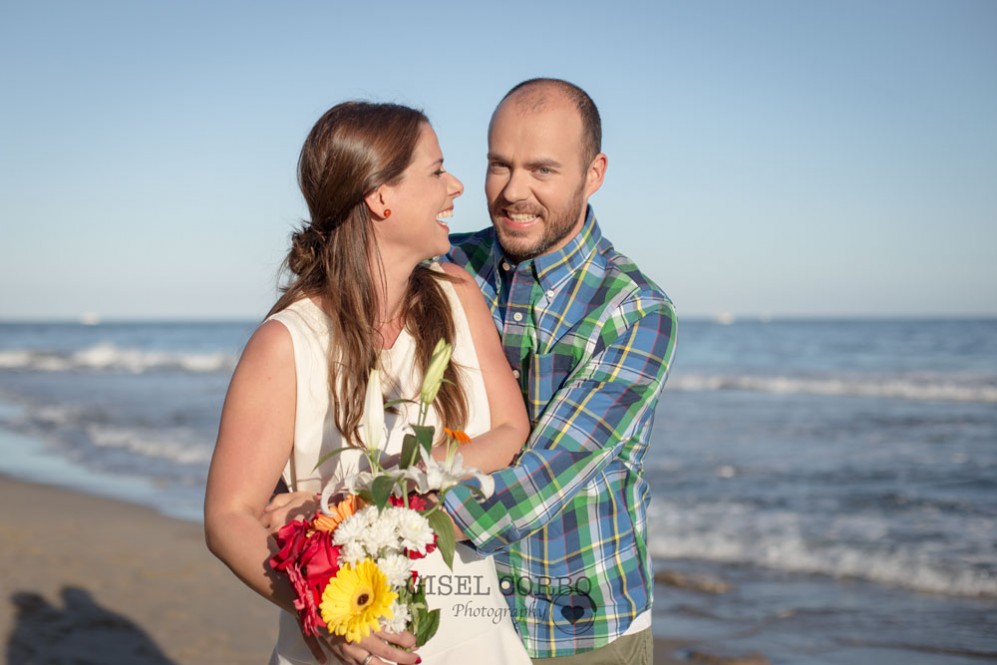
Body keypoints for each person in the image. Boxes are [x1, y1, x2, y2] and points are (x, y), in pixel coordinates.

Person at [204, 101, 533, 665]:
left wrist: (407, 488)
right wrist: (321, 610)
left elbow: (510, 428)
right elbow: (228, 516)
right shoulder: (287, 343)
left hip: (471, 630)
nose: (455, 187)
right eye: (435, 172)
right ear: (381, 197)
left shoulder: (459, 295)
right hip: (347, 641)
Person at [440, 78, 678, 664]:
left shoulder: (634, 310)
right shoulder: (447, 265)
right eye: (500, 165)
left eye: (542, 170)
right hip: (455, 613)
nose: (513, 191)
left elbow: (538, 481)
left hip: (578, 632)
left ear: (593, 174)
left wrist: (371, 514)